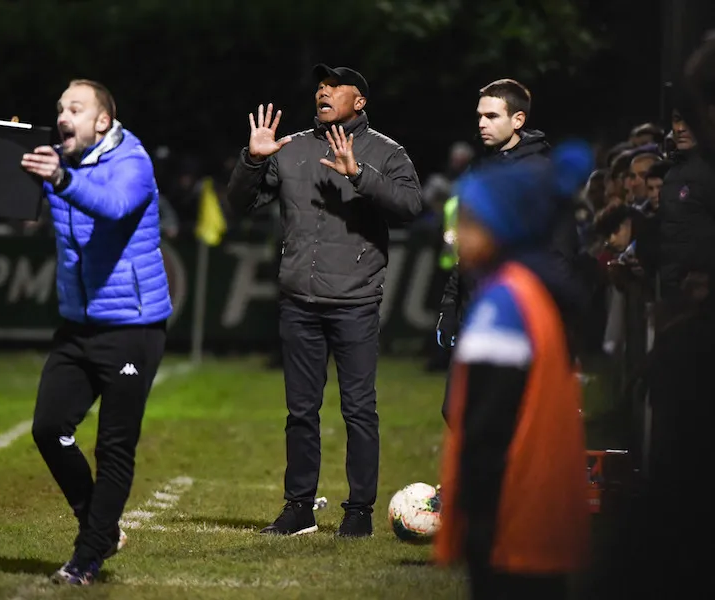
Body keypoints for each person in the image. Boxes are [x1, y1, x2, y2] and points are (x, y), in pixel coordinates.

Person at [0, 79, 171, 586]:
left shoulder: (132, 161)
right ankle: (102, 526)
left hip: (133, 327)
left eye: (76, 107)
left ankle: (87, 555)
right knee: (49, 429)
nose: (62, 115)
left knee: (114, 447)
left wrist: (63, 180)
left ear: (102, 122)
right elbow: (9, 196)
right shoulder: (59, 159)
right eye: (60, 107)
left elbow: (113, 206)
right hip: (78, 324)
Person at [227, 64, 422, 537]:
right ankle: (298, 507)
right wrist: (252, 161)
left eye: (335, 85)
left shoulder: (386, 152)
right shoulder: (289, 149)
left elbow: (412, 208)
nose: (323, 90)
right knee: (300, 410)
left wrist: (360, 174)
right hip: (299, 299)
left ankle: (358, 513)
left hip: (355, 301)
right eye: (319, 85)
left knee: (358, 409)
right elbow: (238, 204)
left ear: (360, 102)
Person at [435, 142, 593, 600]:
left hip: (508, 520)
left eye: (466, 222)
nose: (455, 236)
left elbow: (489, 427)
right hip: (541, 514)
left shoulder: (502, 306)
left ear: (502, 226)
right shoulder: (537, 292)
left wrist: (472, 516)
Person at [437, 78, 583, 423]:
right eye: (479, 116)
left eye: (491, 116)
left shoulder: (539, 176)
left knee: (507, 418)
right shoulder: (482, 168)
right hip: (478, 307)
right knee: (458, 411)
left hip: (519, 314)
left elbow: (560, 251)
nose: (482, 124)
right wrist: (451, 304)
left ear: (518, 120)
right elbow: (466, 250)